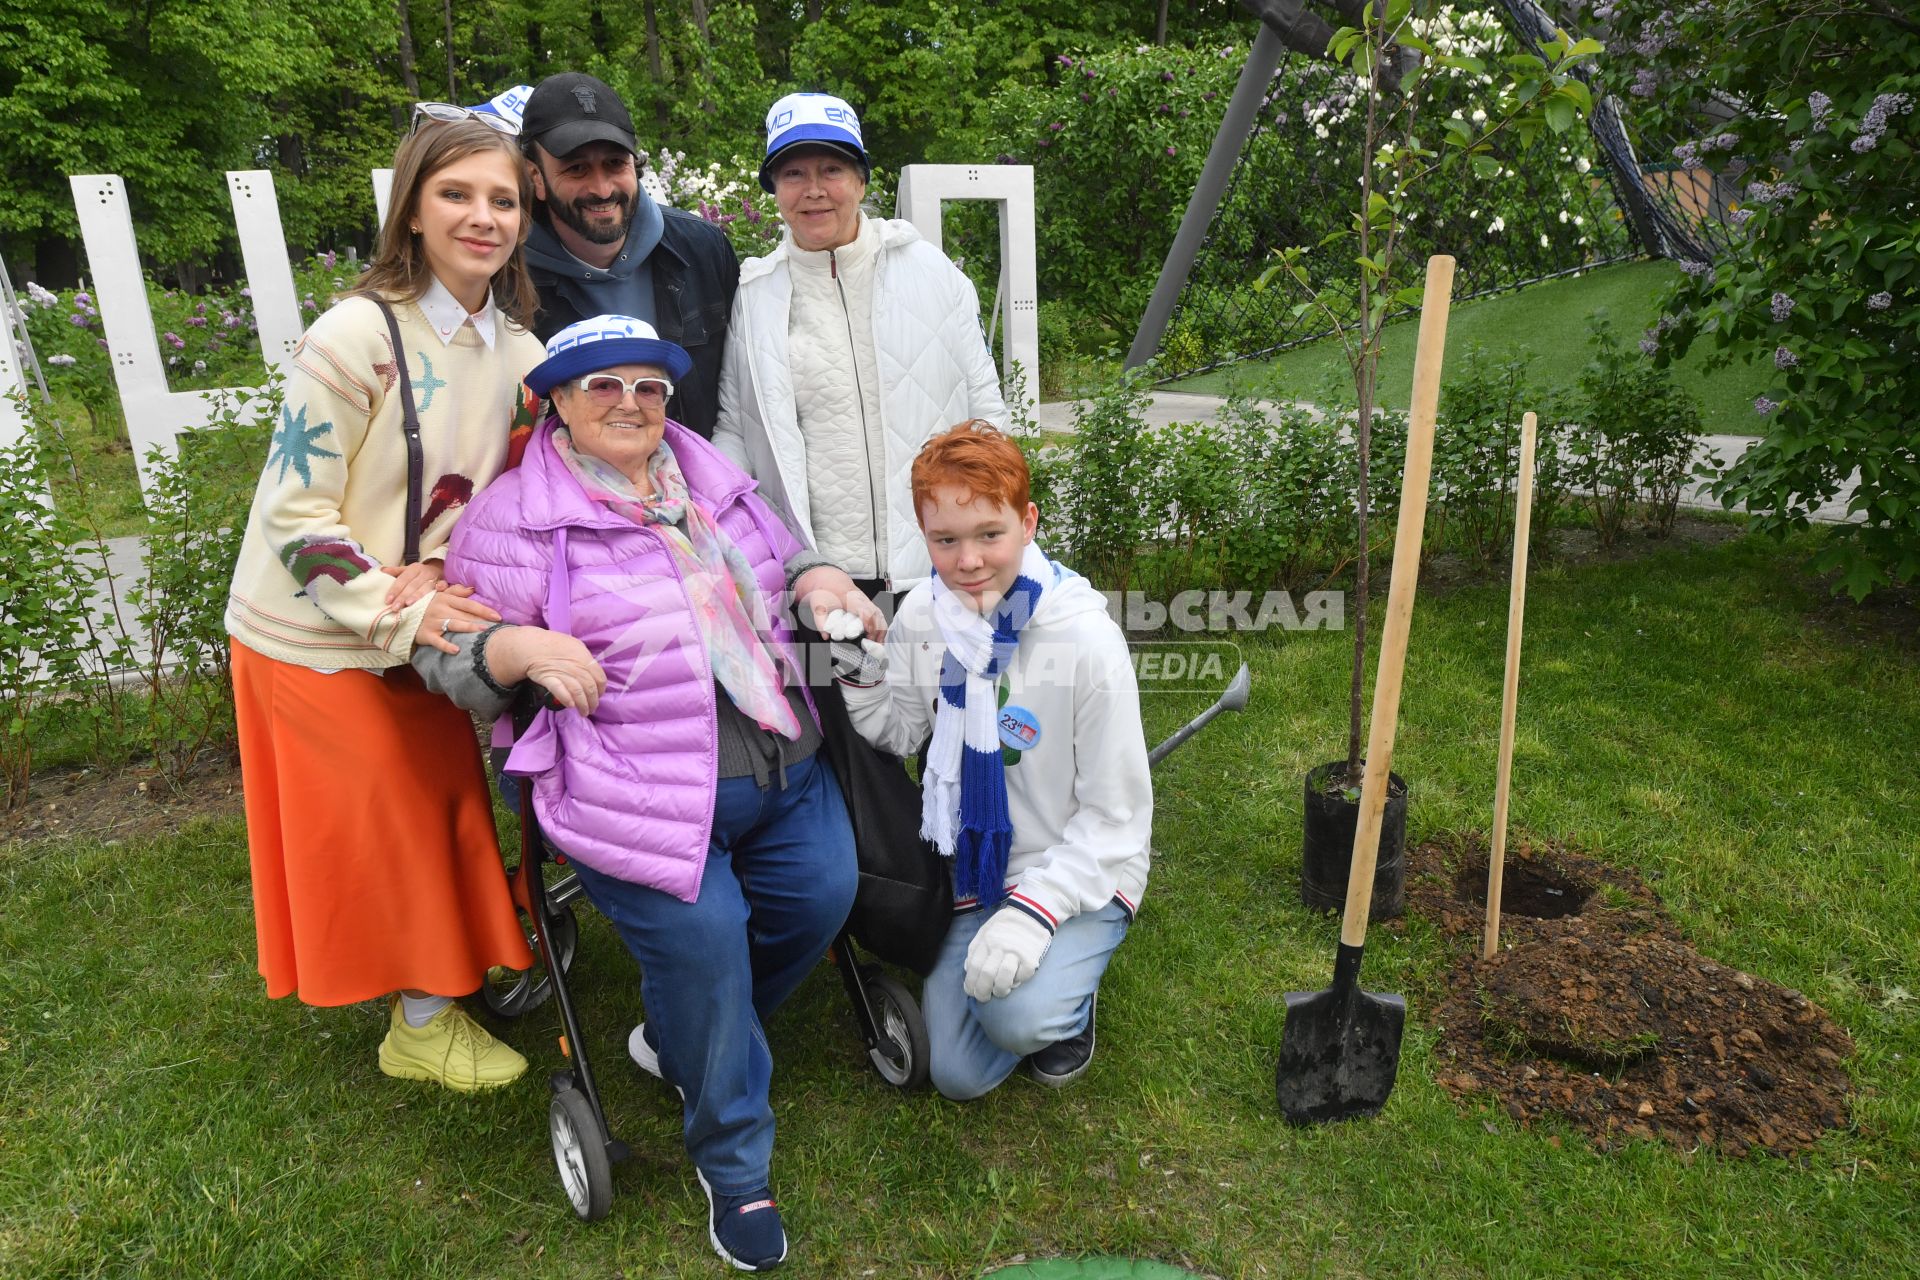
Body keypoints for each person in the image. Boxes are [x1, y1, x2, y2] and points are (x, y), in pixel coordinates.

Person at [415, 315, 877, 1272]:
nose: (630, 404)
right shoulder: (513, 516)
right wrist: (512, 646)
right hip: (629, 791)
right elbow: (448, 657)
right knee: (708, 950)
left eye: (650, 388)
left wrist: (821, 574)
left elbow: (786, 561)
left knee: (825, 894)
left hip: (775, 763)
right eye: (602, 386)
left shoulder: (712, 478)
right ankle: (737, 1166)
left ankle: (683, 1040)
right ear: (558, 405)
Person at [224, 114, 547, 1091]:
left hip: (428, 622)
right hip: (315, 627)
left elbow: (520, 496)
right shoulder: (357, 333)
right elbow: (293, 512)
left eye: (503, 198)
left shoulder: (524, 352)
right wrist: (395, 603)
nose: (482, 216)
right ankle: (417, 1023)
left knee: (445, 805)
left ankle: (446, 977)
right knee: (388, 826)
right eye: (457, 194)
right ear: (411, 208)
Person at [837, 422, 1152, 1101]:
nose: (969, 560)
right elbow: (900, 731)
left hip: (1079, 866)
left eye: (990, 534)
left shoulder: (1086, 639)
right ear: (923, 535)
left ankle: (1067, 1007)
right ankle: (1024, 976)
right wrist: (857, 671)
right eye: (945, 541)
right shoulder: (923, 616)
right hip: (979, 867)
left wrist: (1034, 914)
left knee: (1016, 1018)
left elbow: (1116, 819)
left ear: (1028, 521)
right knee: (956, 1075)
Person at [715, 91, 1008, 593]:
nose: (814, 190)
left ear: (861, 179)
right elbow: (736, 430)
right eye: (793, 175)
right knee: (837, 675)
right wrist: (745, 541)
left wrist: (987, 534)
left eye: (831, 170)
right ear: (775, 190)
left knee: (941, 674)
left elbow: (986, 412)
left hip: (939, 560)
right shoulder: (755, 295)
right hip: (822, 579)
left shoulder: (932, 273)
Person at [518, 72, 739, 437]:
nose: (602, 189)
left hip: (704, 484)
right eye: (576, 168)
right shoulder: (510, 282)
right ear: (535, 177)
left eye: (615, 164)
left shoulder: (703, 249)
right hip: (574, 490)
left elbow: (741, 395)